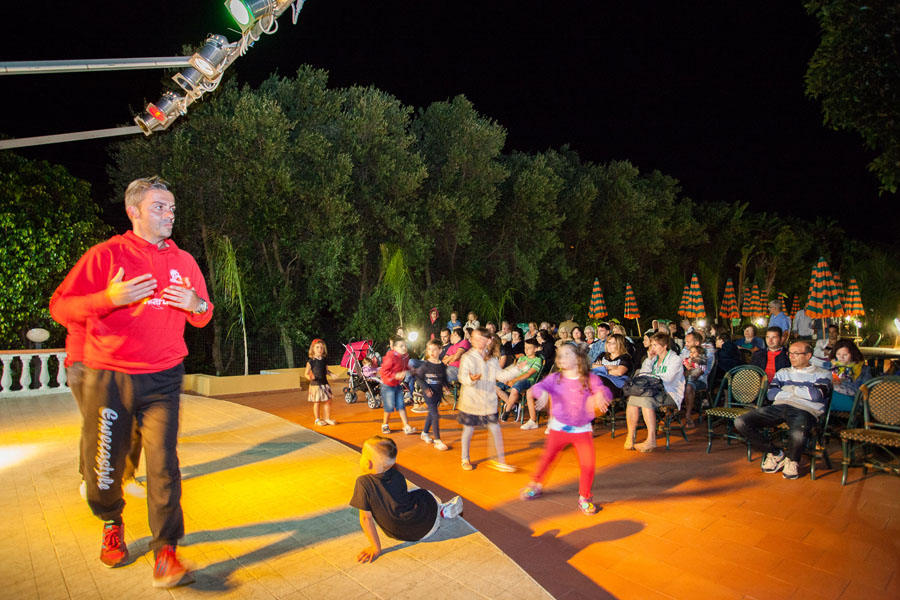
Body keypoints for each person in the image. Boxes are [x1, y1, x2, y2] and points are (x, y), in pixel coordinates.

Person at [48, 176, 211, 587]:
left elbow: (204, 314)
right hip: (110, 376)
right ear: (133, 211)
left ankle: (166, 550)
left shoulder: (184, 261)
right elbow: (60, 307)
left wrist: (196, 303)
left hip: (164, 377)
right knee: (104, 464)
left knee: (164, 465)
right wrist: (109, 299)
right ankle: (111, 521)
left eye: (172, 207)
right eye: (159, 207)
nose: (169, 214)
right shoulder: (106, 255)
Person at [521, 343, 611, 515]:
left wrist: (601, 394)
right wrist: (544, 393)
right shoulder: (555, 378)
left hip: (581, 430)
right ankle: (535, 485)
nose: (562, 358)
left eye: (567, 354)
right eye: (560, 355)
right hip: (559, 428)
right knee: (547, 458)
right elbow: (538, 387)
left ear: (578, 358)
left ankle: (584, 497)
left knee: (588, 464)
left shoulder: (589, 378)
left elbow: (604, 390)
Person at [351, 436, 463, 563]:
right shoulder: (397, 475)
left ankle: (441, 510)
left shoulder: (363, 483)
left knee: (420, 494)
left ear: (368, 463)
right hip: (428, 526)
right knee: (423, 493)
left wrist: (376, 548)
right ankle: (442, 510)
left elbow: (366, 518)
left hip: (400, 534)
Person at [734, 341, 832, 479]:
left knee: (798, 432)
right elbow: (771, 394)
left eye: (796, 353)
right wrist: (801, 392)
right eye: (790, 353)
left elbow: (815, 395)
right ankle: (775, 453)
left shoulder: (822, 374)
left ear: (808, 355)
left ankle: (792, 460)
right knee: (741, 422)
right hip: (779, 407)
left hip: (805, 409)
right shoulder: (783, 372)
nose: (791, 356)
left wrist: (787, 389)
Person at [457, 329, 520, 472]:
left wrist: (517, 369)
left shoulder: (491, 359)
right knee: (468, 430)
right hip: (471, 402)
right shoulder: (467, 357)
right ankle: (465, 458)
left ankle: (500, 461)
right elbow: (462, 377)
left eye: (480, 338)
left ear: (488, 340)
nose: (476, 341)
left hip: (488, 402)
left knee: (495, 429)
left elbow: (501, 376)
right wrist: (470, 379)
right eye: (474, 338)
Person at [624, 332, 685, 452]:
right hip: (653, 391)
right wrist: (649, 359)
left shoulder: (675, 359)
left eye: (655, 345)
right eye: (652, 345)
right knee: (632, 400)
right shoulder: (653, 359)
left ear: (665, 346)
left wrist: (651, 378)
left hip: (670, 393)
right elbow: (643, 374)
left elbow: (668, 378)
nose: (652, 348)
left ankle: (651, 439)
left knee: (646, 401)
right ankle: (631, 436)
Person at [410, 339, 450, 450]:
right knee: (435, 415)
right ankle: (437, 440)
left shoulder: (442, 366)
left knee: (431, 414)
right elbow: (419, 378)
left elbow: (443, 378)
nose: (432, 352)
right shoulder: (425, 365)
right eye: (429, 349)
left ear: (440, 351)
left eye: (434, 349)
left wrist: (446, 386)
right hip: (429, 395)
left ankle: (424, 433)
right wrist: (426, 388)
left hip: (437, 394)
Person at [498, 338, 544, 429]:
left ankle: (507, 410)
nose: (526, 350)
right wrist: (508, 378)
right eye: (525, 348)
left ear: (535, 349)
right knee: (496, 387)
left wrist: (514, 381)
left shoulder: (537, 360)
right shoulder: (522, 358)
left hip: (528, 380)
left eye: (529, 348)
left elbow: (528, 374)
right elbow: (516, 371)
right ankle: (513, 405)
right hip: (515, 378)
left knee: (515, 388)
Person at [379, 336, 417, 435]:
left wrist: (410, 368)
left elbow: (405, 365)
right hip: (388, 386)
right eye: (401, 346)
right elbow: (383, 371)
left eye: (405, 345)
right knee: (389, 407)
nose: (404, 348)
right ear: (394, 348)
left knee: (401, 405)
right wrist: (395, 375)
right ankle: (385, 424)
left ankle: (406, 426)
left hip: (397, 385)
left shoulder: (405, 356)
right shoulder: (391, 357)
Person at [828, 340, 871, 412]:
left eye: (845, 355)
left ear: (853, 354)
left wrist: (842, 382)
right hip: (834, 398)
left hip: (853, 400)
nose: (841, 357)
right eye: (838, 354)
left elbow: (866, 388)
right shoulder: (832, 366)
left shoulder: (863, 369)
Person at [680, 331, 708, 428]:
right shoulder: (686, 352)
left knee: (689, 386)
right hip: (686, 378)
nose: (686, 344)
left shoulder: (703, 354)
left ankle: (688, 415)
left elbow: (698, 372)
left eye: (688, 342)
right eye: (685, 342)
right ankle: (670, 412)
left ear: (697, 343)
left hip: (699, 381)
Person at [591, 333, 633, 398]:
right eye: (608, 342)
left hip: (616, 385)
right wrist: (611, 367)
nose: (608, 345)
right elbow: (594, 366)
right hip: (601, 383)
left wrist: (602, 368)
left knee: (598, 379)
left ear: (619, 345)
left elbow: (619, 372)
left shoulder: (625, 357)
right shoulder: (603, 355)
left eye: (612, 343)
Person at [305, 338, 335, 426]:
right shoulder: (311, 361)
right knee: (317, 402)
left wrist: (332, 374)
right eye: (317, 347)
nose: (320, 349)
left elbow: (326, 371)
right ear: (313, 349)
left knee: (328, 400)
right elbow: (306, 373)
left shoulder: (324, 360)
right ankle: (317, 419)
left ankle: (327, 418)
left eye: (321, 347)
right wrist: (309, 377)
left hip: (324, 384)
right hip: (316, 385)